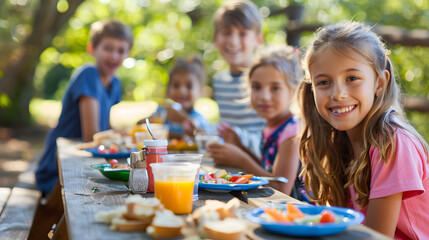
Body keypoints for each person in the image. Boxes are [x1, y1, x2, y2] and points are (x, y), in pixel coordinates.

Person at [298, 21, 429, 239]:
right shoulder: (339, 142)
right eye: (323, 82)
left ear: (379, 83)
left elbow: (375, 237)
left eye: (352, 78)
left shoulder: (391, 143)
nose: (338, 94)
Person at [35, 19, 133, 196]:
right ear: (92, 49)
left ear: (128, 53)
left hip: (83, 164)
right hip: (58, 169)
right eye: (108, 48)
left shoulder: (115, 83)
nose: (114, 56)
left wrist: (125, 133)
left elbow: (105, 129)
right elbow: (92, 135)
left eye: (121, 50)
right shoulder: (88, 74)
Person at [207, 46, 307, 201]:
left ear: (293, 90)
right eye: (256, 87)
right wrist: (238, 146)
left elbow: (282, 187)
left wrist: (240, 160)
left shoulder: (292, 132)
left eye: (275, 88)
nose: (264, 96)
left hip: (295, 216)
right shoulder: (271, 127)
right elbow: (265, 170)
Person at [211, 0, 266, 157]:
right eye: (226, 33)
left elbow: (276, 138)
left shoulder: (266, 82)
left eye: (242, 34)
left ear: (258, 39)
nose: (233, 42)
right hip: (232, 169)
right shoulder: (219, 81)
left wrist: (237, 140)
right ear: (215, 38)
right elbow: (227, 130)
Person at [143, 55, 213, 139]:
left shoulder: (199, 119)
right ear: (168, 90)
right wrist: (162, 117)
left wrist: (184, 120)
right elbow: (140, 125)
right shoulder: (162, 112)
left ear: (200, 92)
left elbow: (206, 137)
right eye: (176, 86)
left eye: (189, 86)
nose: (182, 91)